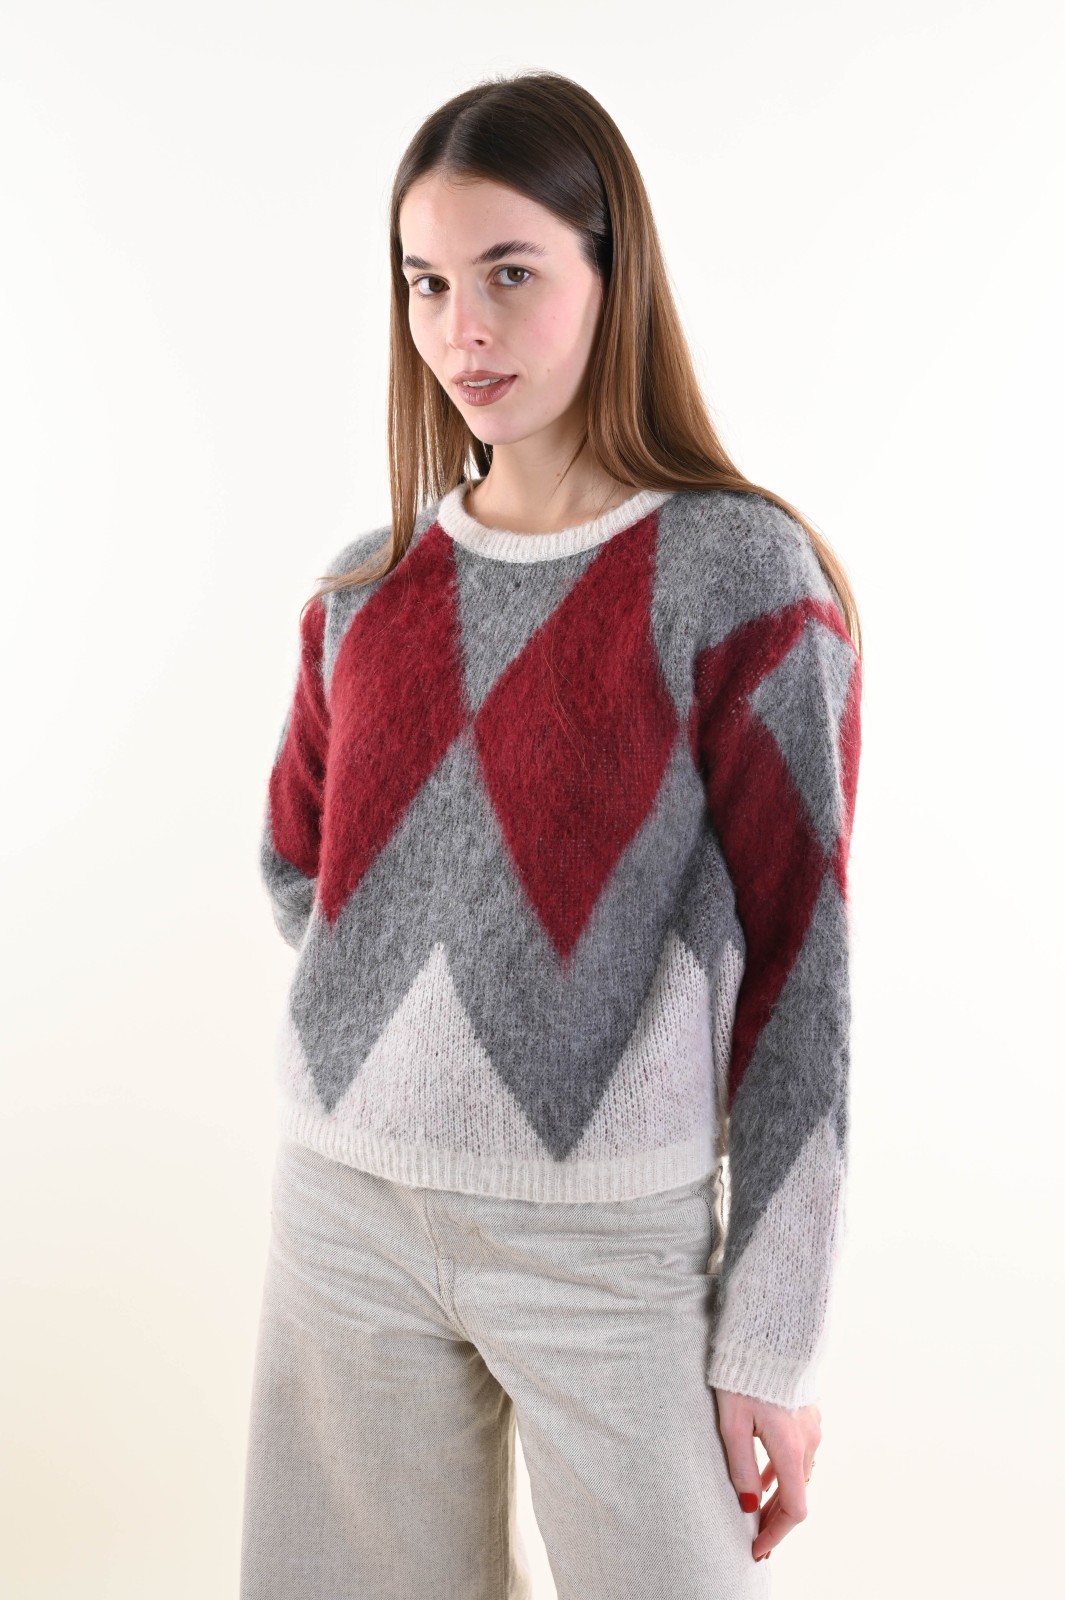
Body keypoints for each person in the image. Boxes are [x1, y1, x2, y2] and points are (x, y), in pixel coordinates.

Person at [240, 69, 863, 1600]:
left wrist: (769, 1338)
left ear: (609, 270)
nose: (463, 329)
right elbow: (298, 866)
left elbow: (803, 976)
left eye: (509, 274)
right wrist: (421, 1009)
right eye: (426, 283)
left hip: (609, 1250)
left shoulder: (738, 575)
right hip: (343, 1219)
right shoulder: (362, 591)